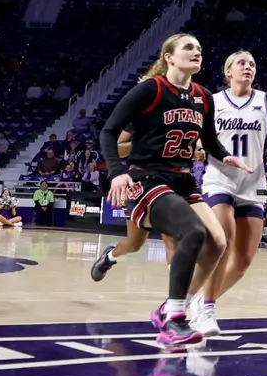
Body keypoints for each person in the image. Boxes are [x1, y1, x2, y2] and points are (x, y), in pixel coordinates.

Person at [99, 33, 249, 348]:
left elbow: (208, 139)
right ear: (168, 56)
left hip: (182, 180)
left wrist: (224, 156)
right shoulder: (149, 90)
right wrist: (116, 173)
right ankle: (175, 320)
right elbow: (109, 131)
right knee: (191, 232)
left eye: (199, 48)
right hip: (148, 179)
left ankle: (171, 307)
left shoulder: (203, 96)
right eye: (188, 47)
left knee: (218, 243)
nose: (197, 52)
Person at [187, 50, 267, 335]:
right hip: (219, 180)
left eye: (252, 64)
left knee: (243, 261)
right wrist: (197, 149)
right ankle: (208, 308)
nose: (248, 67)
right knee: (224, 240)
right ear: (228, 71)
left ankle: (200, 300)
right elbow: (198, 137)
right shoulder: (213, 102)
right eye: (241, 63)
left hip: (253, 184)